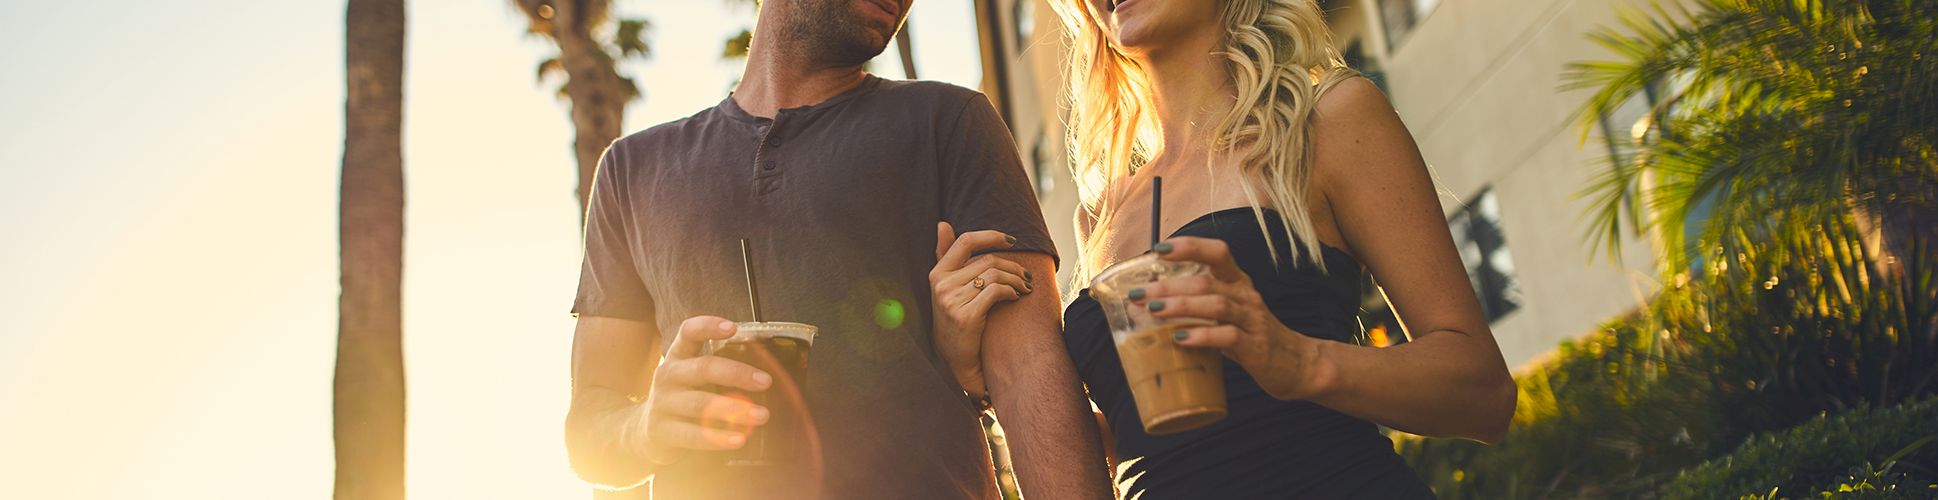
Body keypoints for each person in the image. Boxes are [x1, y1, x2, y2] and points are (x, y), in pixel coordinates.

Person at [926, 0, 1518, 497]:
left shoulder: (1327, 120)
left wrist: (1300, 362)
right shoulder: (1099, 216)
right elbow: (1137, 447)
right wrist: (983, 382)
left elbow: (1483, 393)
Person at [561, 0, 1113, 498]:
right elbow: (590, 432)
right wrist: (648, 425)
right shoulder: (630, 171)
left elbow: (1030, 373)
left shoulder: (950, 122)